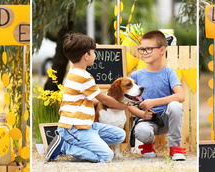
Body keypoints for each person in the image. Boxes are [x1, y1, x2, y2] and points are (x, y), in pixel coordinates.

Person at [47, 33, 145, 163]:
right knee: (106, 156)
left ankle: (84, 144)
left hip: (86, 126)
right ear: (86, 56)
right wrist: (124, 106)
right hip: (73, 128)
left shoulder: (75, 73)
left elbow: (91, 100)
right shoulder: (83, 77)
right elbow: (104, 99)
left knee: (120, 135)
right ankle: (65, 147)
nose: (95, 55)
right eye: (94, 52)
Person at [130, 30, 187, 161]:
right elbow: (129, 105)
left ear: (162, 50)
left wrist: (153, 102)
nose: (144, 53)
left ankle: (175, 148)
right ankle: (148, 145)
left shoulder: (169, 73)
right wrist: (142, 115)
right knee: (142, 132)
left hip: (166, 120)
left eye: (149, 49)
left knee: (175, 106)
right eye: (142, 49)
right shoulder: (136, 76)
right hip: (146, 120)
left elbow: (181, 96)